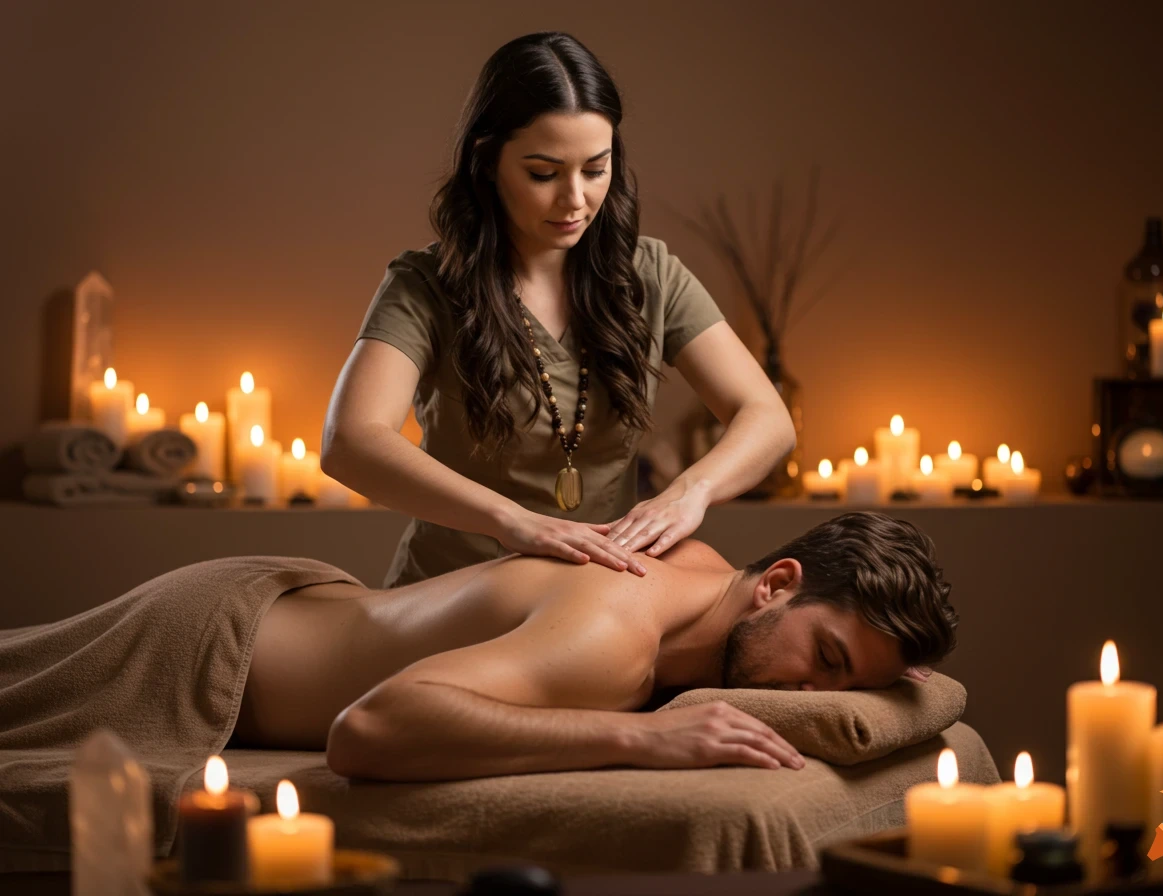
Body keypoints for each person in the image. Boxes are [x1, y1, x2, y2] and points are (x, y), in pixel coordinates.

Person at [321, 31, 796, 588]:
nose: (575, 200)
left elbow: (767, 418)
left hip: (594, 603)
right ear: (487, 163)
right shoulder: (426, 285)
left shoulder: (651, 273)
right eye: (543, 174)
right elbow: (350, 441)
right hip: (447, 597)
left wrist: (690, 493)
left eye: (595, 170)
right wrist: (511, 522)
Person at [230, 511, 957, 782]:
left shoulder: (704, 572)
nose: (816, 697)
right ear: (777, 583)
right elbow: (365, 731)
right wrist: (643, 738)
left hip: (299, 604)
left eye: (850, 686)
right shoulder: (612, 638)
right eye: (827, 658)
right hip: (221, 649)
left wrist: (881, 667)